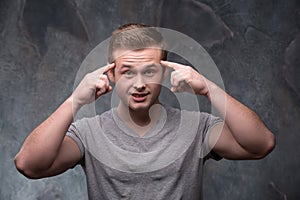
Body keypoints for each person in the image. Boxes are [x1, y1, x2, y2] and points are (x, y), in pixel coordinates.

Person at [14, 23, 275, 199]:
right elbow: (28, 165)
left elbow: (261, 144)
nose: (139, 84)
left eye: (149, 71)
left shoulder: (197, 128)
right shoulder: (87, 133)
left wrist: (208, 88)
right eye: (127, 71)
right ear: (111, 74)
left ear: (162, 73)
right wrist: (75, 101)